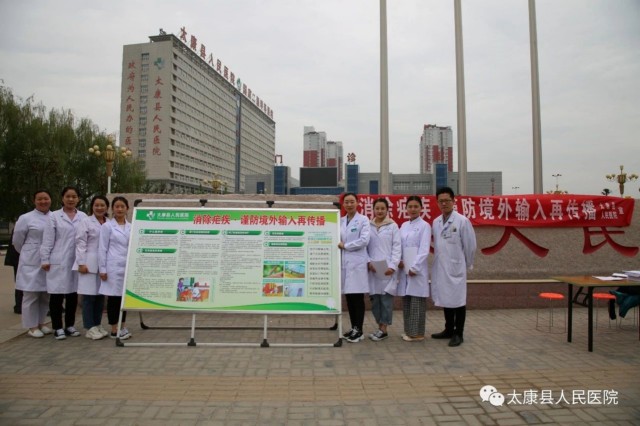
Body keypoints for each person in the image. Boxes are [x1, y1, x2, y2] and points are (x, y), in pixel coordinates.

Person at [430, 187, 477, 347]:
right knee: (446, 298)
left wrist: (467, 263)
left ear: (453, 201)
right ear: (437, 203)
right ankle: (448, 329)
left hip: (456, 267)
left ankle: (459, 333)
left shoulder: (462, 221)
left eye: (447, 200)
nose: (444, 204)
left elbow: (470, 246)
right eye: (441, 201)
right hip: (441, 267)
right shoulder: (436, 222)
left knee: (458, 300)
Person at [41, 186, 87, 340]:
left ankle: (70, 325)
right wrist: (45, 259)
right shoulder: (54, 216)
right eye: (68, 196)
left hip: (76, 260)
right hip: (58, 260)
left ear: (78, 199)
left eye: (74, 196)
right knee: (57, 295)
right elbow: (48, 240)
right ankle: (57, 327)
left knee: (72, 295)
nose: (71, 199)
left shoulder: (83, 216)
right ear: (62, 198)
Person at [12, 190, 53, 338]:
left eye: (46, 198)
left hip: (49, 260)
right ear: (34, 201)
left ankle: (41, 322)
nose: (43, 202)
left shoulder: (54, 217)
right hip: (31, 260)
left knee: (45, 294)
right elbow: (17, 241)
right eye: (39, 199)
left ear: (51, 200)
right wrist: (29, 251)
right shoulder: (26, 218)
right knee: (31, 294)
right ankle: (31, 326)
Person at [74, 195, 110, 340]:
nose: (99, 208)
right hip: (88, 262)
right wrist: (81, 263)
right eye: (96, 205)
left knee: (100, 296)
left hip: (104, 263)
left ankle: (97, 324)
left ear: (107, 207)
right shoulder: (85, 221)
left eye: (102, 205)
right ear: (92, 207)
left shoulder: (109, 223)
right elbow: (80, 242)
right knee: (89, 296)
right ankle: (89, 327)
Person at [397, 196, 432, 342]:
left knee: (417, 301)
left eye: (416, 206)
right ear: (406, 208)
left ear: (421, 208)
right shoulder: (404, 225)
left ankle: (417, 334)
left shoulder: (425, 226)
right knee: (407, 301)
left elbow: (424, 249)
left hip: (416, 270)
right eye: (410, 206)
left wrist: (414, 267)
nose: (413, 209)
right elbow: (399, 245)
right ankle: (408, 330)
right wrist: (399, 260)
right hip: (404, 268)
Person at [366, 198, 401, 341]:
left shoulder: (393, 226)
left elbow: (397, 247)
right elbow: (365, 246)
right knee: (375, 301)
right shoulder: (368, 226)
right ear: (373, 210)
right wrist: (368, 262)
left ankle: (384, 329)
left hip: (387, 269)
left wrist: (393, 266)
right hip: (373, 269)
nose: (380, 211)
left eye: (382, 208)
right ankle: (379, 327)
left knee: (386, 300)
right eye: (377, 208)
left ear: (387, 210)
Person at [338, 192, 370, 343]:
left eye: (352, 201)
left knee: (357, 298)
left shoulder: (363, 220)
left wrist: (346, 246)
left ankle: (359, 330)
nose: (349, 204)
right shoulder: (340, 221)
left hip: (357, 264)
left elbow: (364, 240)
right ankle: (353, 328)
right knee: (349, 298)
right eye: (347, 202)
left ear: (357, 203)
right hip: (345, 264)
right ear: (343, 204)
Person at [99, 196, 132, 340]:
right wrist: (102, 269)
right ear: (112, 209)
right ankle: (114, 329)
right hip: (112, 267)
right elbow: (102, 248)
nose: (119, 209)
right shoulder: (107, 226)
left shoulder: (131, 226)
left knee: (123, 299)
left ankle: (122, 326)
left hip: (126, 267)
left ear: (127, 209)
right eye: (117, 206)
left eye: (122, 206)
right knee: (113, 299)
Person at [4, 229, 22, 314]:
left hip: (18, 257)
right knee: (20, 283)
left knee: (20, 282)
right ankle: (19, 306)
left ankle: (19, 305)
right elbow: (16, 243)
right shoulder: (23, 223)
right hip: (18, 258)